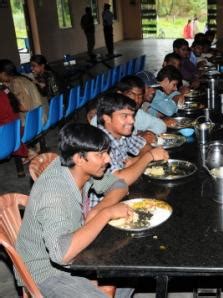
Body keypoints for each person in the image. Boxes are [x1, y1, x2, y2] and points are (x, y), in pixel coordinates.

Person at [16, 123, 134, 297]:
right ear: (79, 158)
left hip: (74, 252)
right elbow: (61, 255)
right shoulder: (54, 195)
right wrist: (106, 213)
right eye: (101, 154)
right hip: (45, 271)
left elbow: (119, 184)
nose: (108, 160)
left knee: (132, 273)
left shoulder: (78, 170)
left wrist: (99, 208)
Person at [95, 93, 168, 203]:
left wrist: (136, 161)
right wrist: (148, 157)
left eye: (132, 115)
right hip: (104, 207)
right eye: (125, 116)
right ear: (107, 119)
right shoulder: (98, 142)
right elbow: (119, 181)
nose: (132, 121)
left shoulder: (122, 134)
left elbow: (146, 146)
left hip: (123, 197)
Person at [90, 75, 167, 137]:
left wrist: (147, 133)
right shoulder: (102, 117)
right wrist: (139, 137)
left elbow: (161, 125)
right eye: (131, 94)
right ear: (119, 94)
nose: (136, 100)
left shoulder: (137, 113)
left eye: (140, 96)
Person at [0, 59, 47, 123]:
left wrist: (9, 103)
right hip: (39, 117)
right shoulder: (23, 77)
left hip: (31, 123)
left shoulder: (16, 83)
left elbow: (24, 107)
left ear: (3, 73)